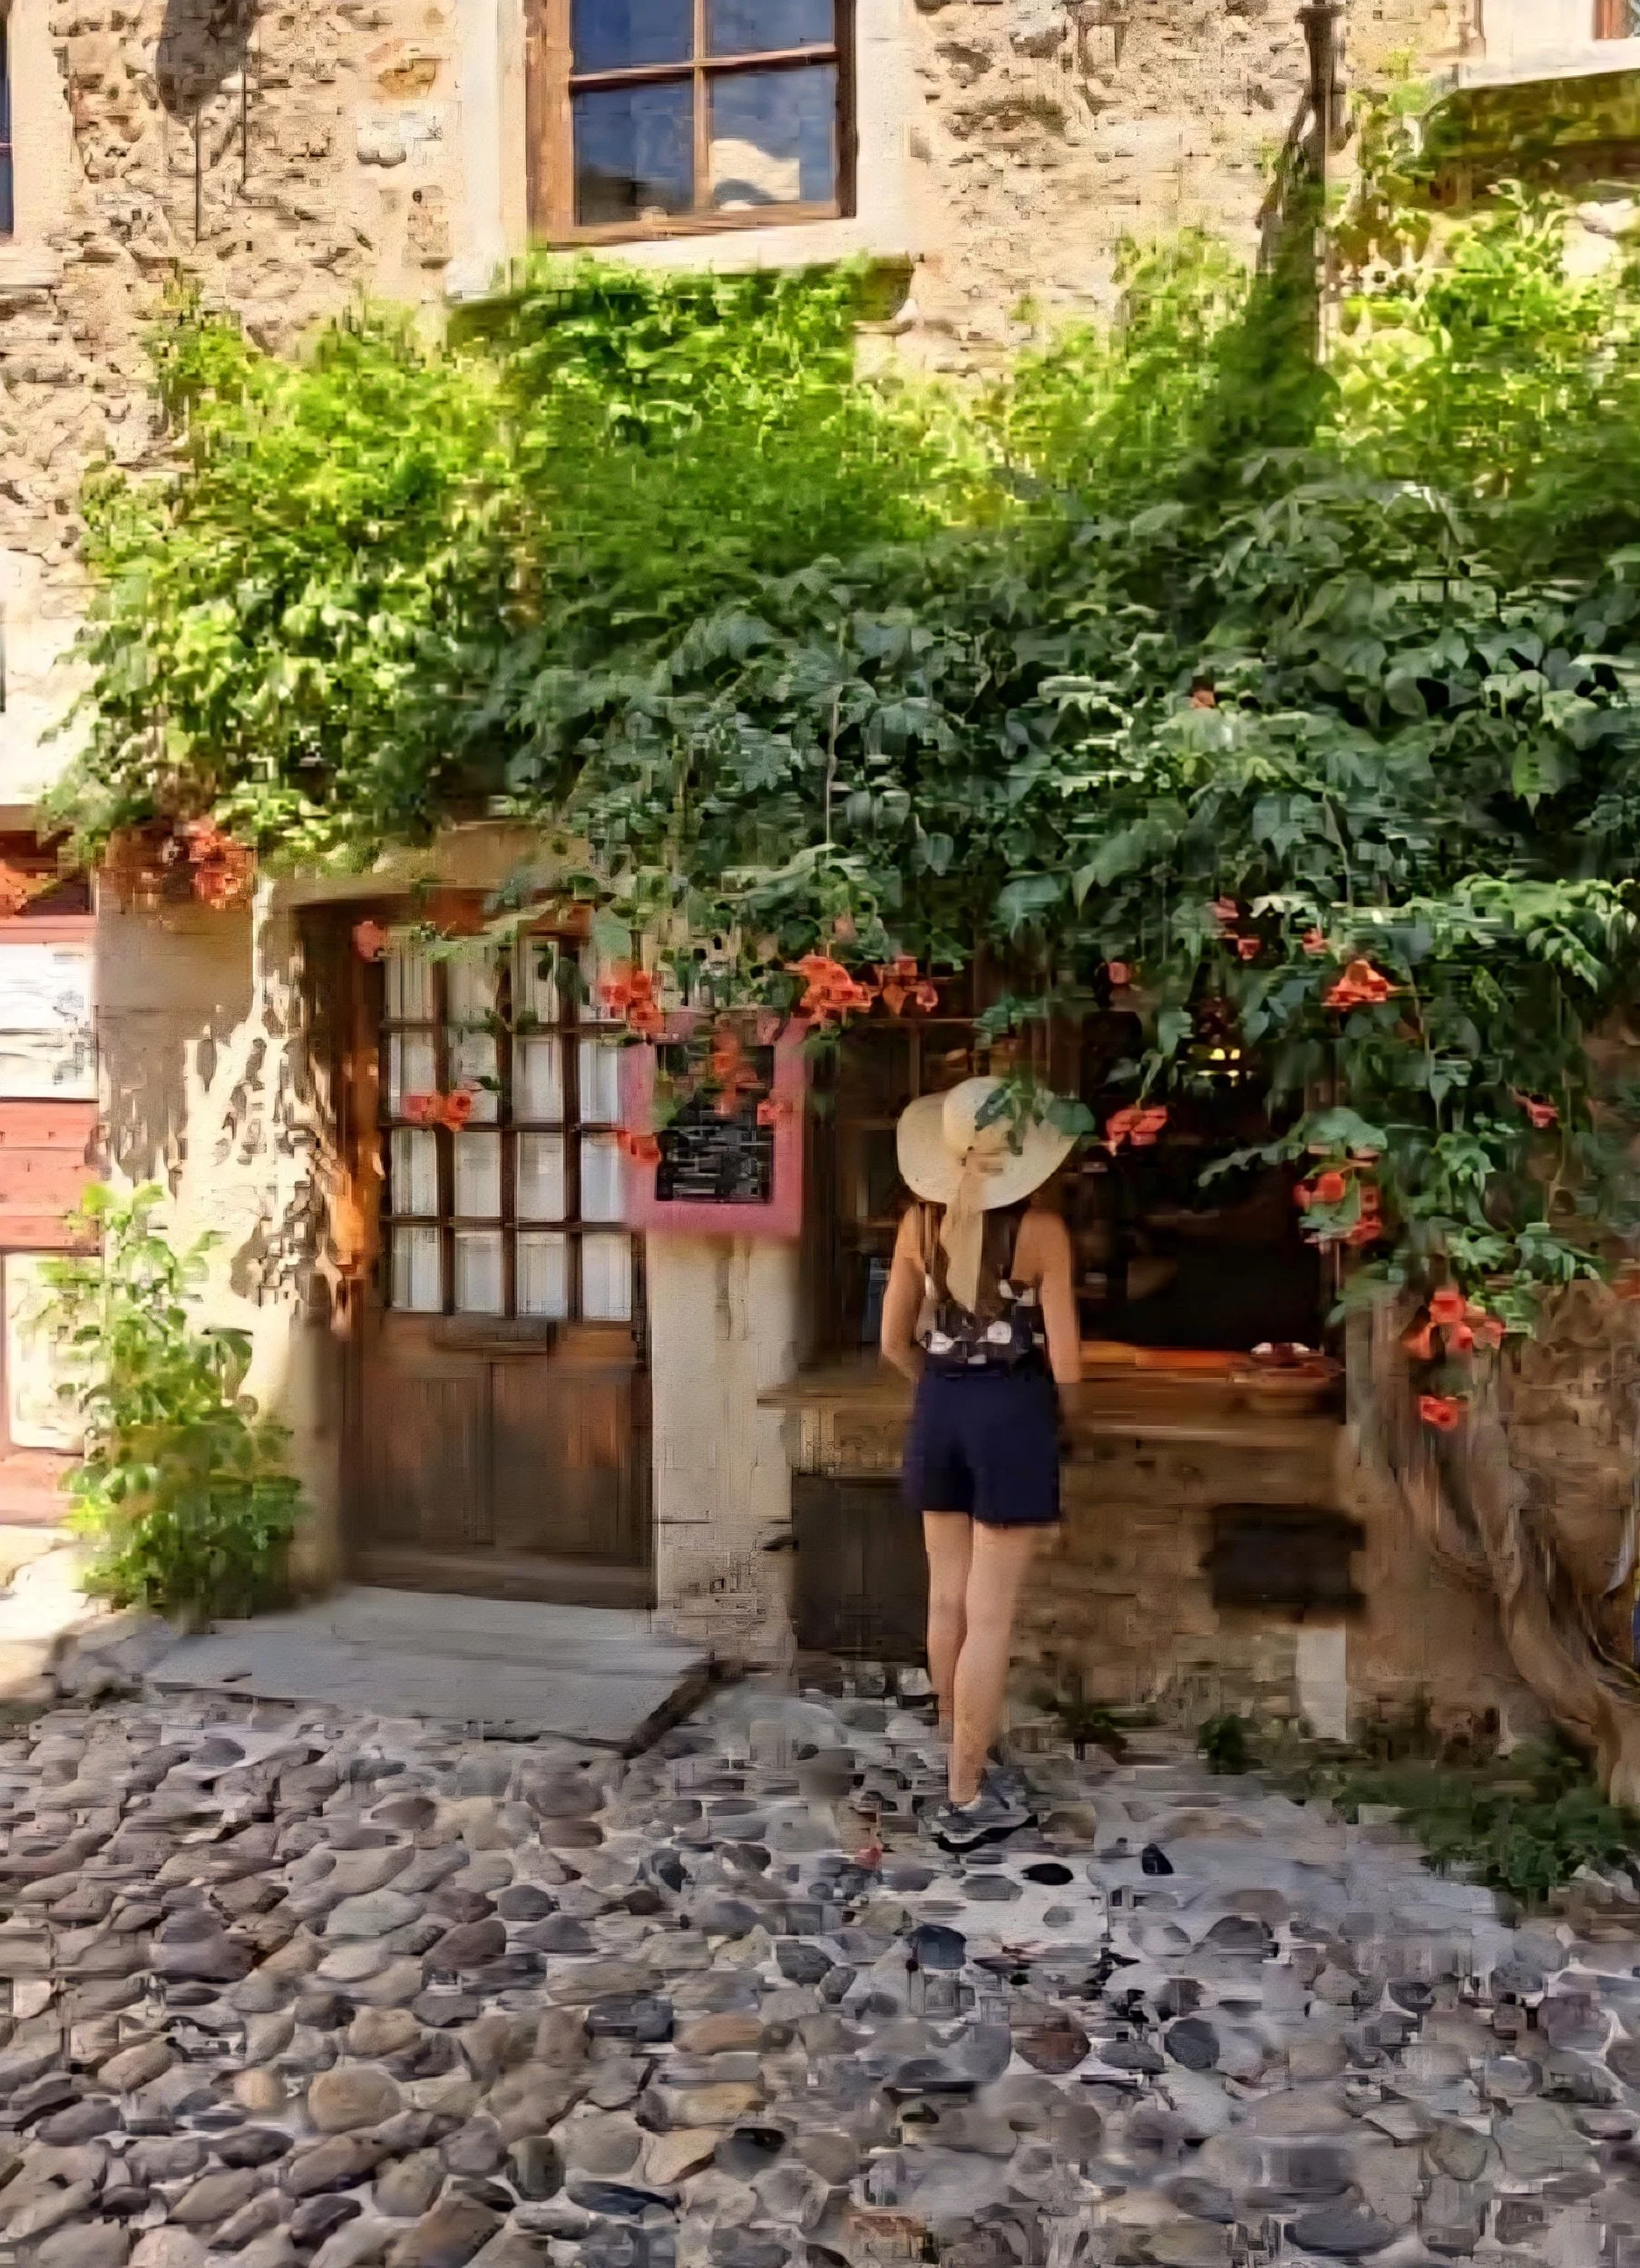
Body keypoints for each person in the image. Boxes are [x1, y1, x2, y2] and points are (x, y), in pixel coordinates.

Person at [880, 1077, 1081, 1849]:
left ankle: (958, 1742)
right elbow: (1065, 1362)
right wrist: (1070, 1422)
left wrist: (941, 1386)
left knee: (946, 1601)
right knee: (991, 1614)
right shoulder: (1043, 1233)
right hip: (1012, 1414)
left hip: (941, 1407)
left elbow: (893, 1342)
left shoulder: (916, 1222)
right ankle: (966, 1796)